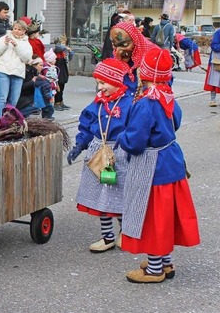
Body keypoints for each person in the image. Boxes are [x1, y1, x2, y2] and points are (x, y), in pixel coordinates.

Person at [117, 47, 200, 283]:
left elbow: (134, 142)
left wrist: (122, 138)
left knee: (152, 216)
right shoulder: (168, 95)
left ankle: (154, 270)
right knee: (164, 216)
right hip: (171, 159)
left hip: (152, 165)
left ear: (145, 74)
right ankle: (165, 262)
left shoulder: (146, 103)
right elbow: (177, 122)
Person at [67, 59, 133, 252]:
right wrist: (80, 144)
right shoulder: (97, 103)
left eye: (104, 83)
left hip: (120, 152)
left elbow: (135, 129)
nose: (100, 87)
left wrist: (130, 147)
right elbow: (87, 125)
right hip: (98, 153)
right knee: (101, 196)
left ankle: (125, 232)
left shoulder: (129, 103)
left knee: (119, 195)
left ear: (117, 82)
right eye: (98, 82)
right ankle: (107, 236)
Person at [0, 19, 33, 118]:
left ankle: (9, 120)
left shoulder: (26, 43)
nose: (16, 31)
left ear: (24, 31)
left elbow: (26, 58)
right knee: (2, 98)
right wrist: (4, 44)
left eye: (19, 29)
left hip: (18, 73)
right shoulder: (4, 38)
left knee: (13, 100)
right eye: (15, 28)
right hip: (2, 71)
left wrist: (17, 46)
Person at [109, 20, 159, 96]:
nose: (120, 50)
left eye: (125, 44)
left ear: (135, 40)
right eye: (115, 45)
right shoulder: (115, 55)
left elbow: (164, 81)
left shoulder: (153, 54)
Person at [29, 56, 54, 120]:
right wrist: (49, 97)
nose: (42, 67)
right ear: (35, 66)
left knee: (45, 109)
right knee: (48, 109)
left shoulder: (39, 77)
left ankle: (45, 118)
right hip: (42, 99)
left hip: (39, 99)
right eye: (40, 65)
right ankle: (47, 118)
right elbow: (46, 90)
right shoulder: (41, 79)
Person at [53, 37, 73, 111]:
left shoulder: (64, 52)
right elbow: (58, 48)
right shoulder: (57, 49)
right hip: (58, 68)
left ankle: (61, 101)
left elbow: (70, 58)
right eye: (62, 42)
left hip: (63, 68)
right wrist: (65, 47)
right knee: (59, 85)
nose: (64, 44)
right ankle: (57, 102)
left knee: (62, 85)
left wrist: (70, 52)